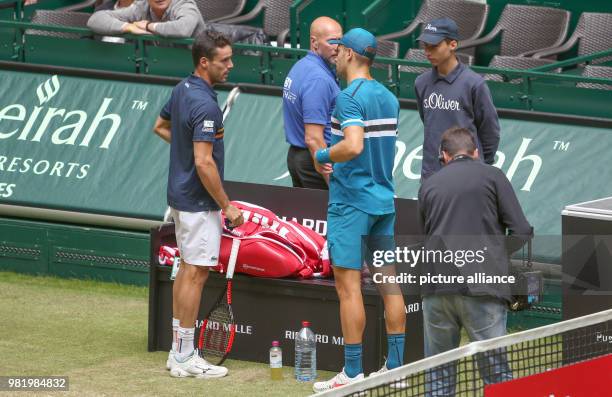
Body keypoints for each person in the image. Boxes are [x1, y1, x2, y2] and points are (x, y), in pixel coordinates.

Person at [312, 28, 406, 392]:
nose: (333, 57)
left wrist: (323, 155)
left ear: (350, 55)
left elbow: (351, 146)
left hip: (352, 203)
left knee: (348, 289)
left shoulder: (348, 98)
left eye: (338, 52)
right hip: (383, 201)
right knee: (389, 284)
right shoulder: (388, 97)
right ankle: (395, 371)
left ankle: (352, 374)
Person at [153, 31, 244, 378]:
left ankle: (179, 351)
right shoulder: (206, 104)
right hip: (198, 201)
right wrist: (228, 206)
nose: (231, 65)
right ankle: (185, 357)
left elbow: (160, 126)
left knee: (188, 270)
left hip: (179, 197)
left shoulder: (182, 89)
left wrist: (188, 152)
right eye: (224, 60)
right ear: (204, 62)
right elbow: (204, 163)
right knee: (195, 273)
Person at [418, 127, 533, 395]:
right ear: (476, 153)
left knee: (438, 375)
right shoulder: (493, 176)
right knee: (497, 377)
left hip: (437, 288)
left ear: (444, 155)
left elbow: (425, 238)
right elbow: (522, 231)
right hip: (482, 287)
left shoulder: (428, 185)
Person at [414, 17, 500, 180]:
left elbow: (490, 131)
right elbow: (428, 121)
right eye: (425, 46)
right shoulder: (421, 82)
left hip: (468, 175)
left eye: (434, 46)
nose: (427, 52)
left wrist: (479, 165)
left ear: (453, 44)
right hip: (431, 174)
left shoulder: (475, 84)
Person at [282, 16, 342, 189]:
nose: (337, 47)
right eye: (331, 41)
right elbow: (314, 138)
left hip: (298, 157)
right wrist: (333, 184)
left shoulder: (301, 66)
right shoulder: (319, 79)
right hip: (314, 161)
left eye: (340, 40)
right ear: (314, 42)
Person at [87, 0, 205, 38]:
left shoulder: (184, 4)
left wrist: (149, 26)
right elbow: (95, 19)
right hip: (160, 69)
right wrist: (128, 27)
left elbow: (182, 29)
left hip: (198, 68)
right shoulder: (141, 6)